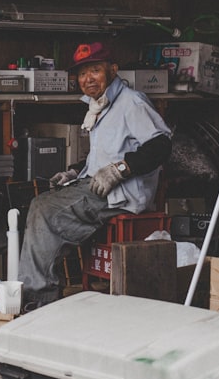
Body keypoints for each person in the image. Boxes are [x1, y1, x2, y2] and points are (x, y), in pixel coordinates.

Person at [17, 41, 172, 311]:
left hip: (122, 193)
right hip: (99, 186)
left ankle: (38, 299)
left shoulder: (131, 103)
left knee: (42, 209)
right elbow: (102, 156)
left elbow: (161, 146)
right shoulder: (98, 106)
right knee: (42, 201)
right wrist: (74, 172)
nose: (88, 79)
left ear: (113, 70)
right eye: (82, 73)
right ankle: (38, 290)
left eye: (95, 71)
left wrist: (121, 169)